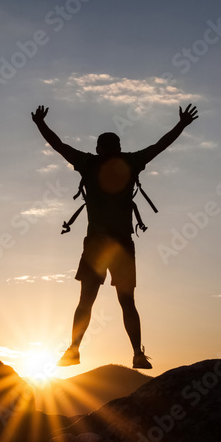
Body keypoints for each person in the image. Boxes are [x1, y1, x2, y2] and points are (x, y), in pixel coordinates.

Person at [30, 103, 199, 369]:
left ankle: (74, 350)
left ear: (99, 148)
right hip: (121, 244)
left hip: (97, 243)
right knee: (127, 302)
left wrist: (40, 124)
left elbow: (59, 145)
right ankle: (137, 354)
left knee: (86, 301)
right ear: (118, 147)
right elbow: (160, 146)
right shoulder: (130, 162)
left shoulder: (88, 162)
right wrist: (181, 125)